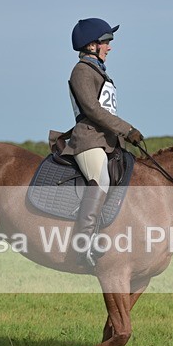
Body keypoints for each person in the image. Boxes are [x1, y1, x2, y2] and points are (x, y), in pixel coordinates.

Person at [65, 18, 144, 268]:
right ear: (91, 45)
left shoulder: (98, 70)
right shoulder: (81, 71)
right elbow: (93, 109)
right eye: (106, 42)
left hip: (108, 141)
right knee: (101, 180)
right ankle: (83, 244)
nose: (109, 47)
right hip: (88, 140)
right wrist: (127, 129)